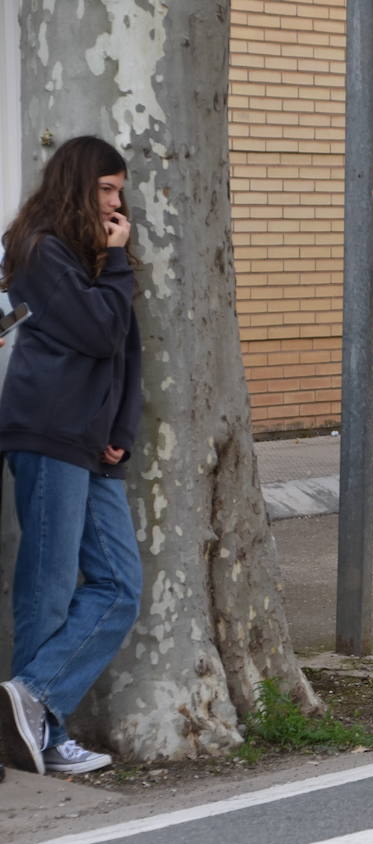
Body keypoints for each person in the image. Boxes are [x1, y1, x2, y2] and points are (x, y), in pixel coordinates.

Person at [0, 136, 144, 776]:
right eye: (105, 189)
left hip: (92, 440)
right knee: (48, 589)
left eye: (120, 190)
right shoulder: (40, 251)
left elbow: (125, 349)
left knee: (119, 587)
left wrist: (120, 426)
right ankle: (43, 737)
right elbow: (98, 331)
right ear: (76, 187)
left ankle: (32, 702)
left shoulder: (95, 253)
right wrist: (115, 264)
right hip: (48, 430)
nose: (117, 203)